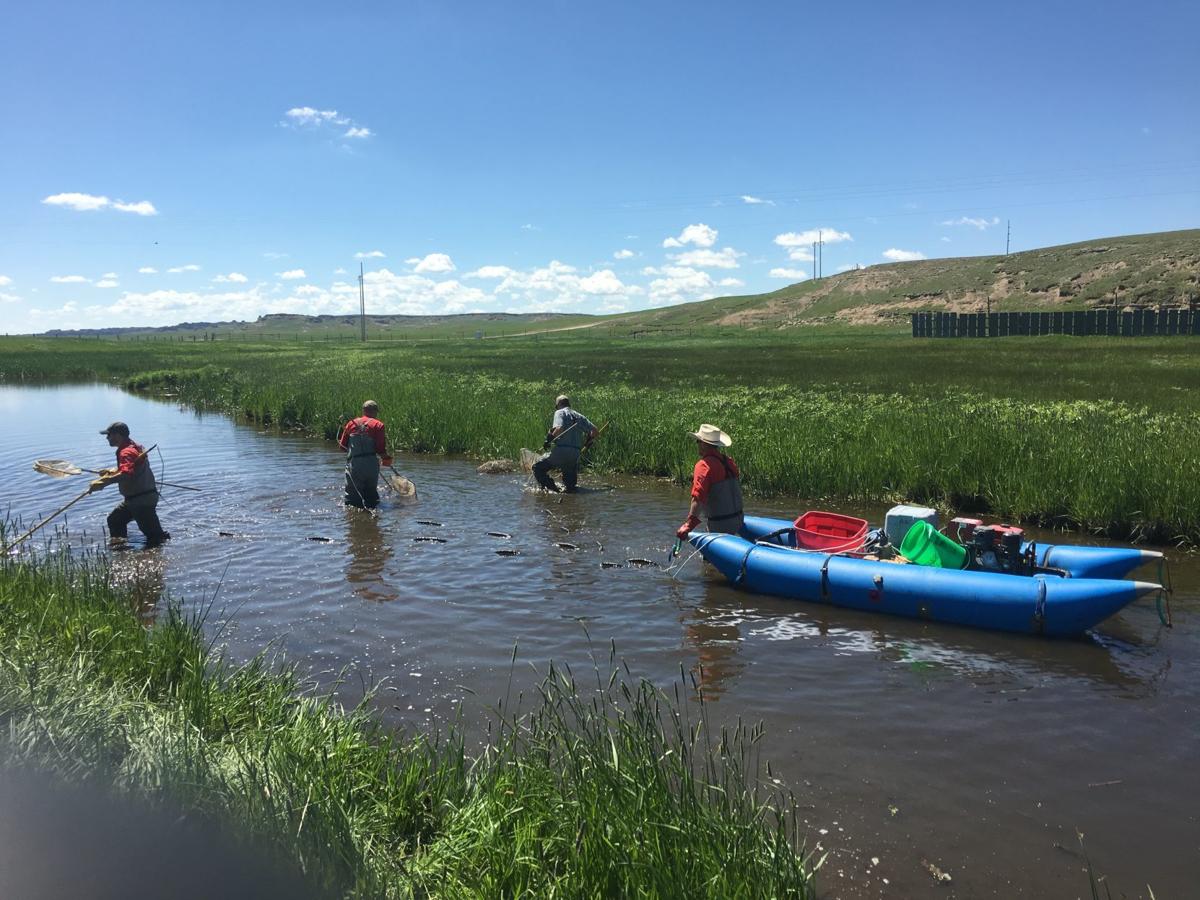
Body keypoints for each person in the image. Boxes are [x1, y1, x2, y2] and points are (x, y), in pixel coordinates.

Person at [88, 422, 170, 548]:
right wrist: (112, 472)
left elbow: (126, 474)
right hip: (140, 497)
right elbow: (131, 468)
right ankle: (120, 549)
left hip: (141, 501)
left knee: (156, 537)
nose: (107, 438)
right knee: (115, 520)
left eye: (109, 435)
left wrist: (104, 482)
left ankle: (164, 552)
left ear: (117, 435)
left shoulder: (125, 452)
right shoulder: (134, 446)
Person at [676, 424, 744, 539]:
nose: (697, 445)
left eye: (698, 441)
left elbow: (698, 498)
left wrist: (689, 525)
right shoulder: (729, 462)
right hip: (739, 521)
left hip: (720, 525)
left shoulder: (704, 466)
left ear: (703, 444)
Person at [532, 394, 599, 493]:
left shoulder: (559, 412)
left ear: (559, 404)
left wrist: (548, 440)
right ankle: (570, 497)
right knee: (570, 486)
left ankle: (553, 489)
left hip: (561, 451)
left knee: (537, 468)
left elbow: (559, 428)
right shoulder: (579, 415)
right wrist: (588, 441)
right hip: (575, 453)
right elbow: (595, 431)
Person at [338, 400, 392, 509]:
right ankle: (373, 516)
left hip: (355, 464)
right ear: (375, 411)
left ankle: (353, 516)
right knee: (371, 497)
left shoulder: (351, 424)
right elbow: (380, 449)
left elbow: (342, 447)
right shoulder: (378, 425)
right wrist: (386, 458)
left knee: (352, 499)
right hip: (371, 465)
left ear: (363, 410)